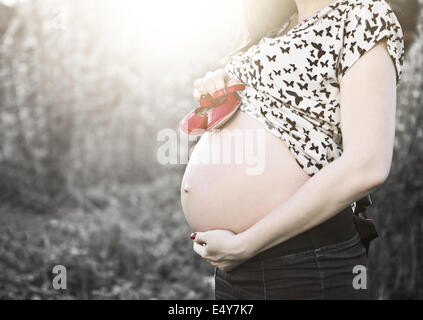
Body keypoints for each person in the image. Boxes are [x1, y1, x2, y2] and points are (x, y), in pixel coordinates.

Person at [183, 0, 405, 300]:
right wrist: (221, 89)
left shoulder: (363, 14)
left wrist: (247, 244)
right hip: (242, 268)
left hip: (302, 265)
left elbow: (367, 165)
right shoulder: (279, 27)